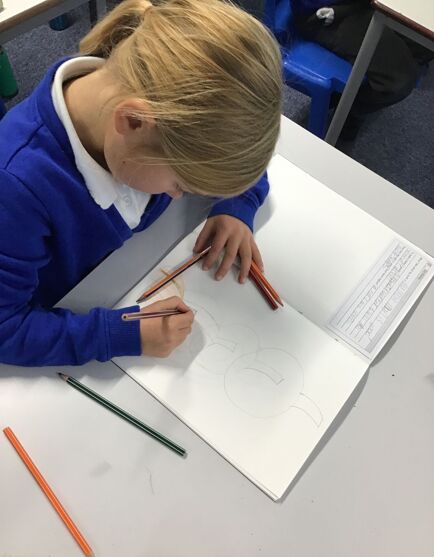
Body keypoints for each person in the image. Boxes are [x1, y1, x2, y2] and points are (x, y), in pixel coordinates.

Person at [0, 0, 282, 367]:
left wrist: (238, 205)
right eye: (182, 184)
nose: (179, 195)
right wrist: (118, 334)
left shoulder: (152, 113)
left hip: (126, 271)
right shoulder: (16, 187)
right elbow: (5, 329)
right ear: (133, 122)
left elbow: (230, 151)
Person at [291, 0, 433, 139]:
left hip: (359, 6)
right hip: (328, 13)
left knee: (424, 43)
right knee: (400, 80)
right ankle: (348, 108)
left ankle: (349, 96)